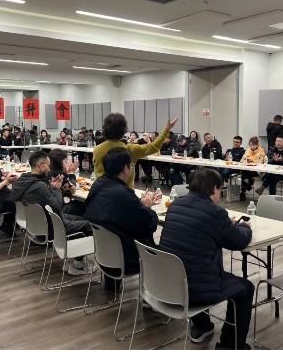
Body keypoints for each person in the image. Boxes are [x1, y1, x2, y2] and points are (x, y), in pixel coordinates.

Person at [159, 168, 253, 350]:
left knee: (191, 264)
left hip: (168, 283)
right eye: (220, 189)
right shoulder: (215, 213)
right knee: (245, 288)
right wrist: (244, 226)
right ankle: (230, 346)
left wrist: (226, 226)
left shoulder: (176, 205)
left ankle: (202, 326)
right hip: (195, 289)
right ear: (214, 188)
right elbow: (240, 241)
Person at [84, 147, 158, 291]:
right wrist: (147, 207)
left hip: (104, 254)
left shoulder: (99, 184)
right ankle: (154, 295)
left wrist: (138, 205)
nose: (132, 168)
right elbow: (149, 224)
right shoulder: (121, 194)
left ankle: (111, 286)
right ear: (125, 168)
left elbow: (120, 215)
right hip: (126, 257)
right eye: (131, 165)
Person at [12, 150, 94, 275]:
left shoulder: (22, 181)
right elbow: (57, 207)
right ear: (40, 164)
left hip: (37, 224)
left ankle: (71, 260)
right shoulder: (39, 186)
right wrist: (56, 190)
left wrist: (52, 189)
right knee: (89, 225)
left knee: (80, 219)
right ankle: (77, 265)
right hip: (52, 226)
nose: (49, 168)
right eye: (47, 165)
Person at [92, 113, 177, 186]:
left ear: (105, 129)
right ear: (123, 131)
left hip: (100, 192)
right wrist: (167, 129)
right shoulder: (130, 149)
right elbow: (154, 147)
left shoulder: (97, 150)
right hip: (123, 193)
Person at [239, 136, 266, 200]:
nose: (252, 147)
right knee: (244, 172)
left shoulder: (261, 151)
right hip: (248, 168)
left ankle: (244, 190)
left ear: (257, 145)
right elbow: (242, 160)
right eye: (250, 145)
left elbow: (261, 161)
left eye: (254, 145)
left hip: (257, 170)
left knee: (244, 174)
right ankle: (246, 186)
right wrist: (246, 160)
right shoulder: (248, 150)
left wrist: (251, 160)